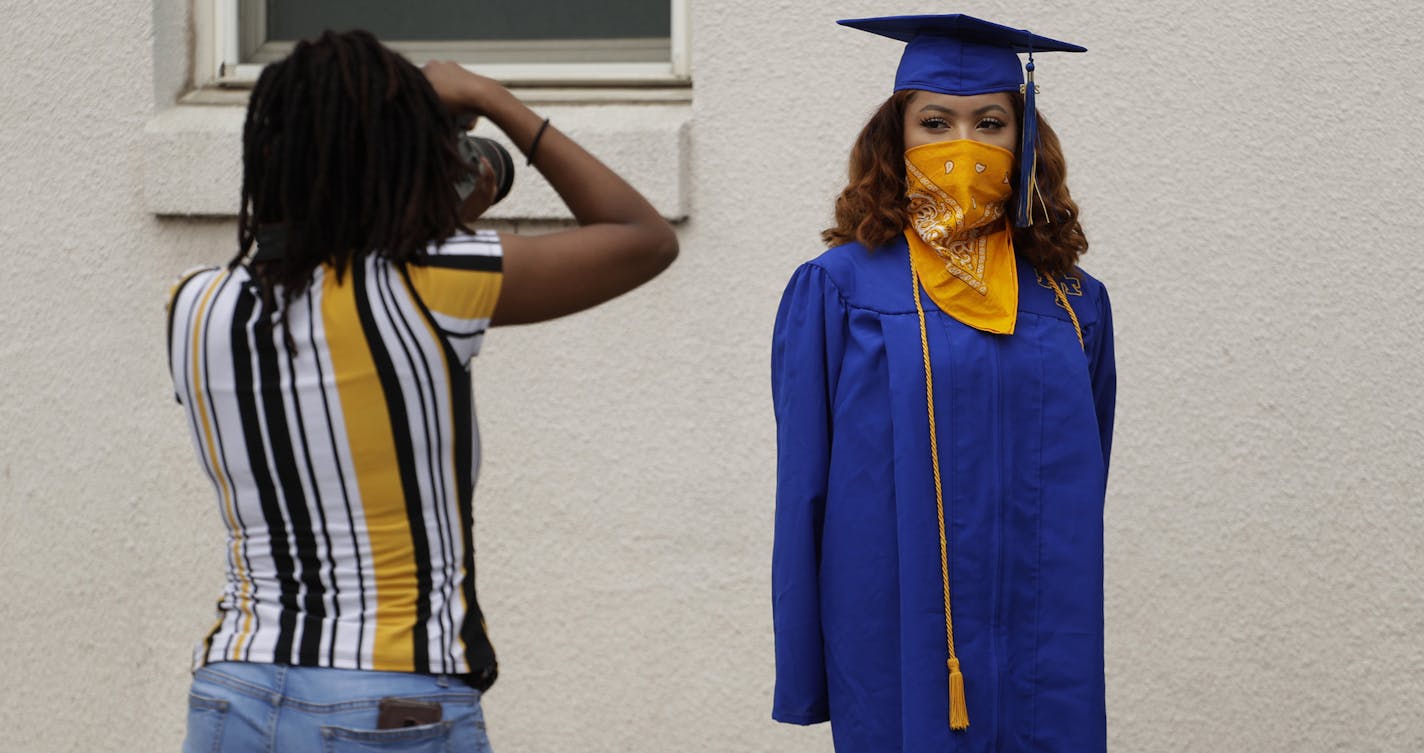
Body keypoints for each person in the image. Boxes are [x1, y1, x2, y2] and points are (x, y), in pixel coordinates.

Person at [166, 30, 677, 752]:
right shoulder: (435, 284)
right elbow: (642, 235)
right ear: (395, 162)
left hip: (234, 687)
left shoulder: (193, 306)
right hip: (389, 695)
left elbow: (331, 265)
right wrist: (490, 100)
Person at [771, 14, 1115, 753]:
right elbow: (803, 487)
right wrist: (806, 670)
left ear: (1022, 146)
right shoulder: (838, 290)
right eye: (935, 122)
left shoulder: (1073, 301)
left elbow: (1091, 472)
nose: (963, 145)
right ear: (897, 141)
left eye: (989, 122)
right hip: (895, 626)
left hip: (1044, 631)